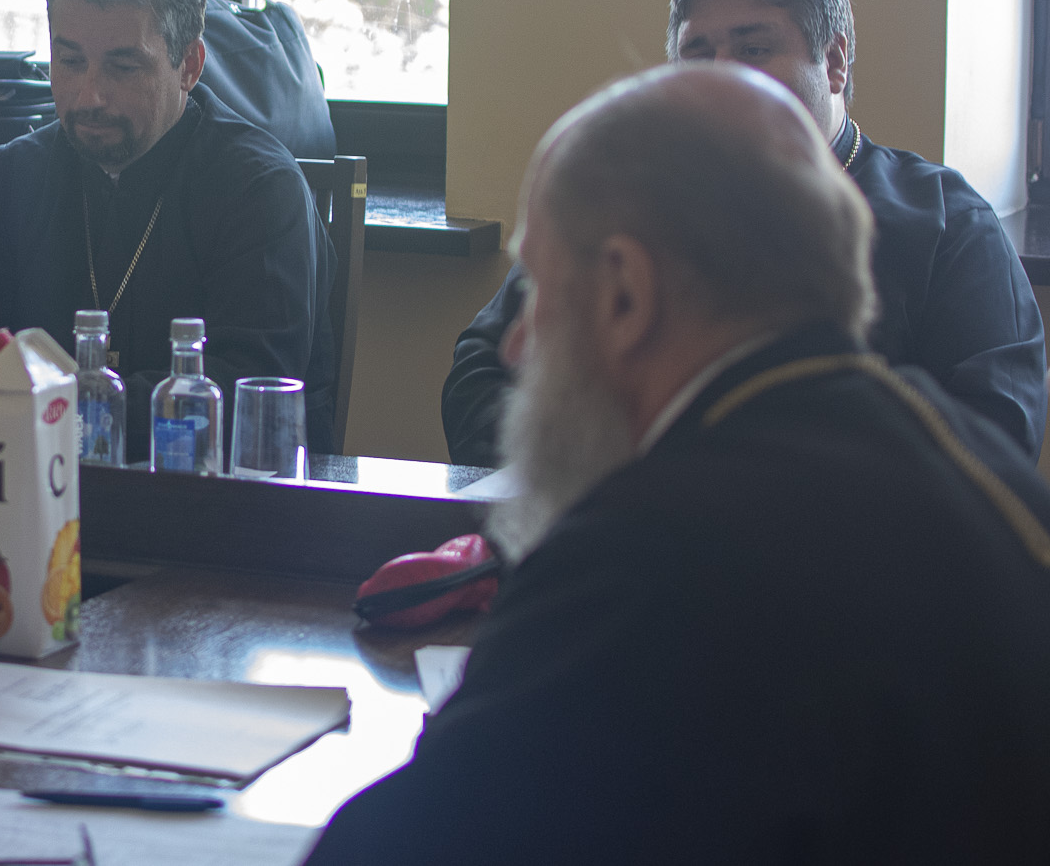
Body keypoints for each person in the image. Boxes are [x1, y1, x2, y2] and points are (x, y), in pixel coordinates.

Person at [308, 63, 1050, 865]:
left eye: (540, 290)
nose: (516, 346)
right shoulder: (986, 472)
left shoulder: (645, 558)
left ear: (626, 295)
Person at [443, 0, 1045, 464]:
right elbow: (481, 371)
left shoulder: (947, 222)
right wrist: (616, 473)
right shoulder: (623, 203)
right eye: (698, 53)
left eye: (753, 49)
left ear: (834, 62)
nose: (720, 73)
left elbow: (997, 430)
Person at [0, 0, 336, 456]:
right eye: (70, 61)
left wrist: (51, 405)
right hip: (16, 487)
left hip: (200, 498)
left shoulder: (259, 190)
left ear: (189, 65)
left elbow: (249, 395)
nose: (89, 96)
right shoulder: (4, 179)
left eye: (123, 67)